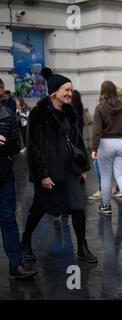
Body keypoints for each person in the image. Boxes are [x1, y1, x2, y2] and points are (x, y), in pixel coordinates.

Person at [21, 67, 97, 263]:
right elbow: (34, 147)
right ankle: (25, 242)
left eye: (71, 90)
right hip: (49, 172)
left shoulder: (70, 111)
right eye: (66, 90)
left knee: (77, 207)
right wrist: (43, 174)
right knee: (39, 208)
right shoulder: (39, 113)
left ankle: (82, 248)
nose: (70, 94)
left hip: (70, 169)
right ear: (55, 92)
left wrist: (83, 168)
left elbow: (77, 141)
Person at [0, 78, 37, 280]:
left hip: (4, 175)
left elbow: (15, 145)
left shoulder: (7, 115)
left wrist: (4, 147)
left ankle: (16, 264)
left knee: (8, 219)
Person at [91, 81, 122, 217]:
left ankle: (106, 205)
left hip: (106, 143)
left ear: (103, 92)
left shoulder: (100, 108)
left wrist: (94, 148)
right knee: (121, 174)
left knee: (105, 176)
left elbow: (97, 130)